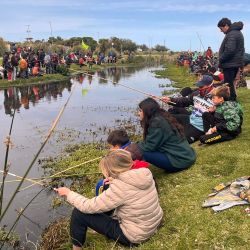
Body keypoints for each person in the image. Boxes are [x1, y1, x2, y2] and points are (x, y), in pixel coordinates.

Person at [55, 149, 163, 250]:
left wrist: (68, 193)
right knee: (107, 187)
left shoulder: (119, 189)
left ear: (114, 171)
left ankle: (76, 248)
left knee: (79, 213)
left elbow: (86, 206)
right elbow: (129, 190)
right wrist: (114, 181)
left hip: (134, 236)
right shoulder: (145, 172)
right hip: (153, 222)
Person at [135, 97, 196, 172]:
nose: (138, 113)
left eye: (140, 111)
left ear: (147, 111)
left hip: (180, 161)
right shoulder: (162, 116)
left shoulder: (156, 123)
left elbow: (149, 146)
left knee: (138, 151)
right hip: (186, 156)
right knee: (136, 148)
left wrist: (134, 146)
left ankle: (132, 171)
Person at [162, 75, 214, 143]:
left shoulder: (217, 96)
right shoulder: (196, 94)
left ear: (210, 86)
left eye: (201, 87)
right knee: (164, 117)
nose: (199, 88)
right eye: (198, 86)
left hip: (201, 127)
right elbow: (185, 101)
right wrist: (170, 100)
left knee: (181, 141)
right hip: (190, 119)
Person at [217, 17, 245, 101]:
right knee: (230, 83)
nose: (221, 31)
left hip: (230, 64)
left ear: (225, 25)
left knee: (228, 84)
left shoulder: (232, 34)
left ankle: (231, 100)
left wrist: (221, 59)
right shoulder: (235, 32)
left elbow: (230, 50)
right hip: (233, 63)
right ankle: (231, 99)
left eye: (221, 28)